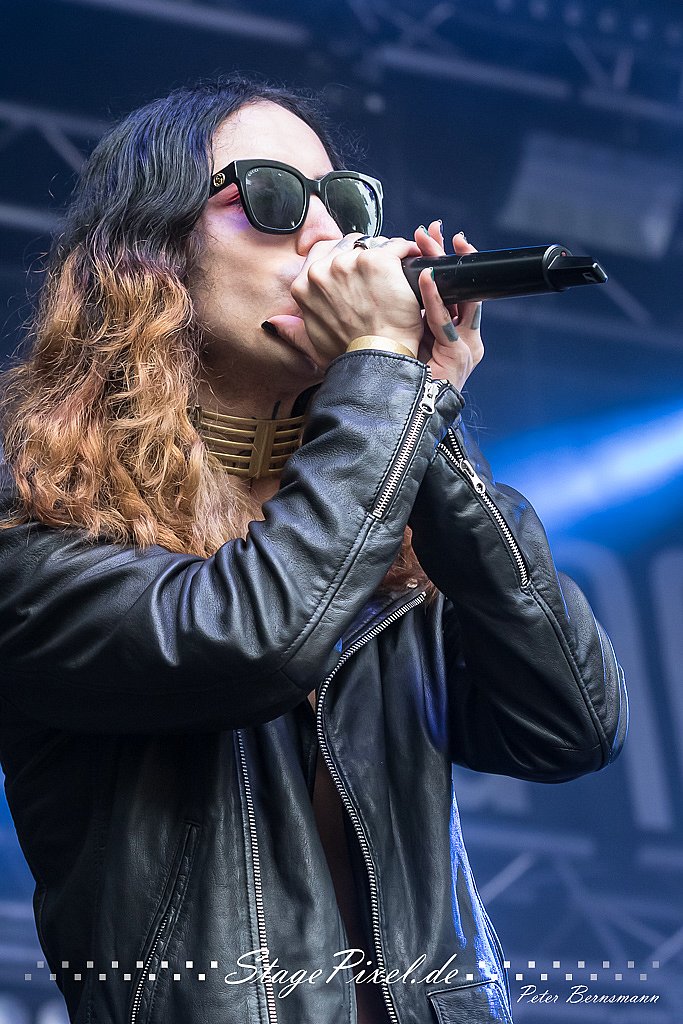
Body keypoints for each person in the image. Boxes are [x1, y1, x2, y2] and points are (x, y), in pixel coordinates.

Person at [0, 75, 627, 1024]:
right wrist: (383, 379)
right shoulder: (35, 537)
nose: (326, 235)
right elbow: (254, 638)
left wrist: (424, 404)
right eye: (272, 198)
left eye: (342, 202)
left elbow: (570, 721)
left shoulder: (385, 537)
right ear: (150, 254)